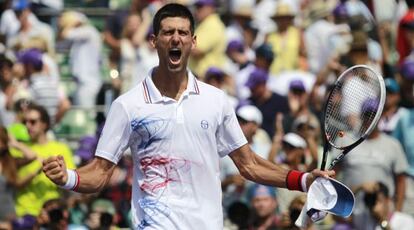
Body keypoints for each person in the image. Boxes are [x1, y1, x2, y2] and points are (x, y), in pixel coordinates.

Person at [42, 4, 334, 230]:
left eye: (182, 33)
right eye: (168, 32)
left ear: (193, 42)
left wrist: (305, 179)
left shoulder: (216, 100)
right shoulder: (127, 105)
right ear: (155, 40)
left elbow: (250, 165)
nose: (176, 39)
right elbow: (99, 173)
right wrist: (67, 177)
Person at [15, 103, 75, 218]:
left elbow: (70, 182)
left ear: (44, 124)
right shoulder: (19, 149)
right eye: (25, 122)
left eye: (33, 122)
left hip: (52, 213)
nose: (27, 125)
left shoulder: (61, 149)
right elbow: (14, 183)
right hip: (24, 213)